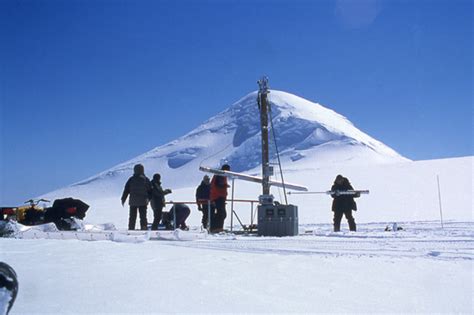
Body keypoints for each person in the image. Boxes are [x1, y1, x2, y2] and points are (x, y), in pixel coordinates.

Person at [121, 164, 152, 230]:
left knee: (132, 217)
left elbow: (126, 190)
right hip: (143, 201)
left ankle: (131, 229)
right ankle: (144, 228)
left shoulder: (131, 179)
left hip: (133, 201)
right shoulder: (145, 179)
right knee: (143, 217)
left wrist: (123, 199)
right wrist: (148, 199)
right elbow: (150, 190)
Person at [210, 164, 230, 233]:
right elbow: (217, 184)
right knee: (221, 213)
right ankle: (217, 228)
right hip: (218, 196)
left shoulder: (220, 174)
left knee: (221, 213)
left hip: (219, 196)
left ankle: (216, 227)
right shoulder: (220, 174)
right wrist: (225, 185)